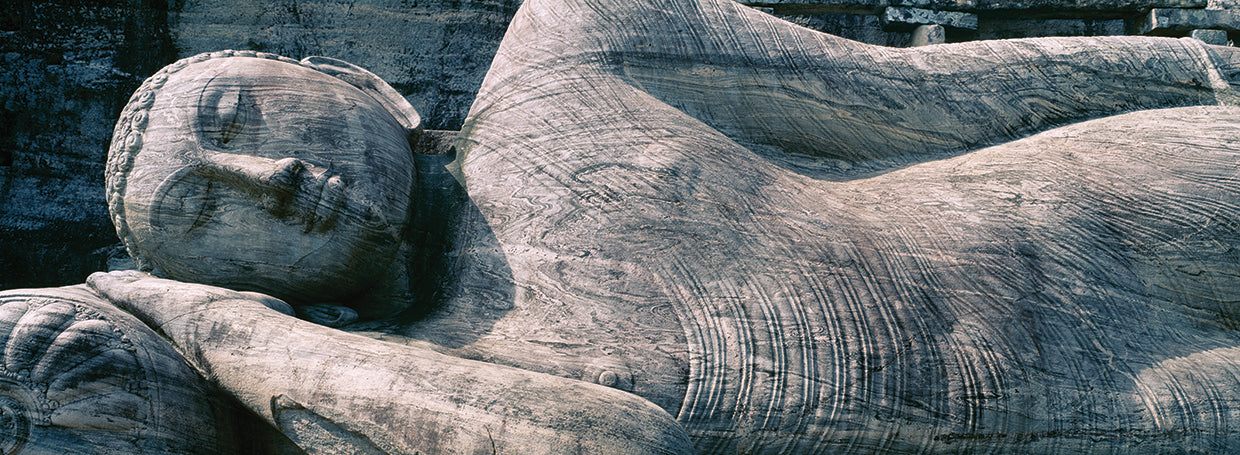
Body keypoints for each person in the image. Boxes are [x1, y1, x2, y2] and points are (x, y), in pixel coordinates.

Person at [90, 0, 1240, 452]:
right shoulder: (426, 394)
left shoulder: (570, 46)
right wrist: (230, 334)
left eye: (236, 117)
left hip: (1137, 207)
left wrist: (1195, 68)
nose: (271, 173)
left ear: (352, 75)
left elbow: (928, 93)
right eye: (205, 208)